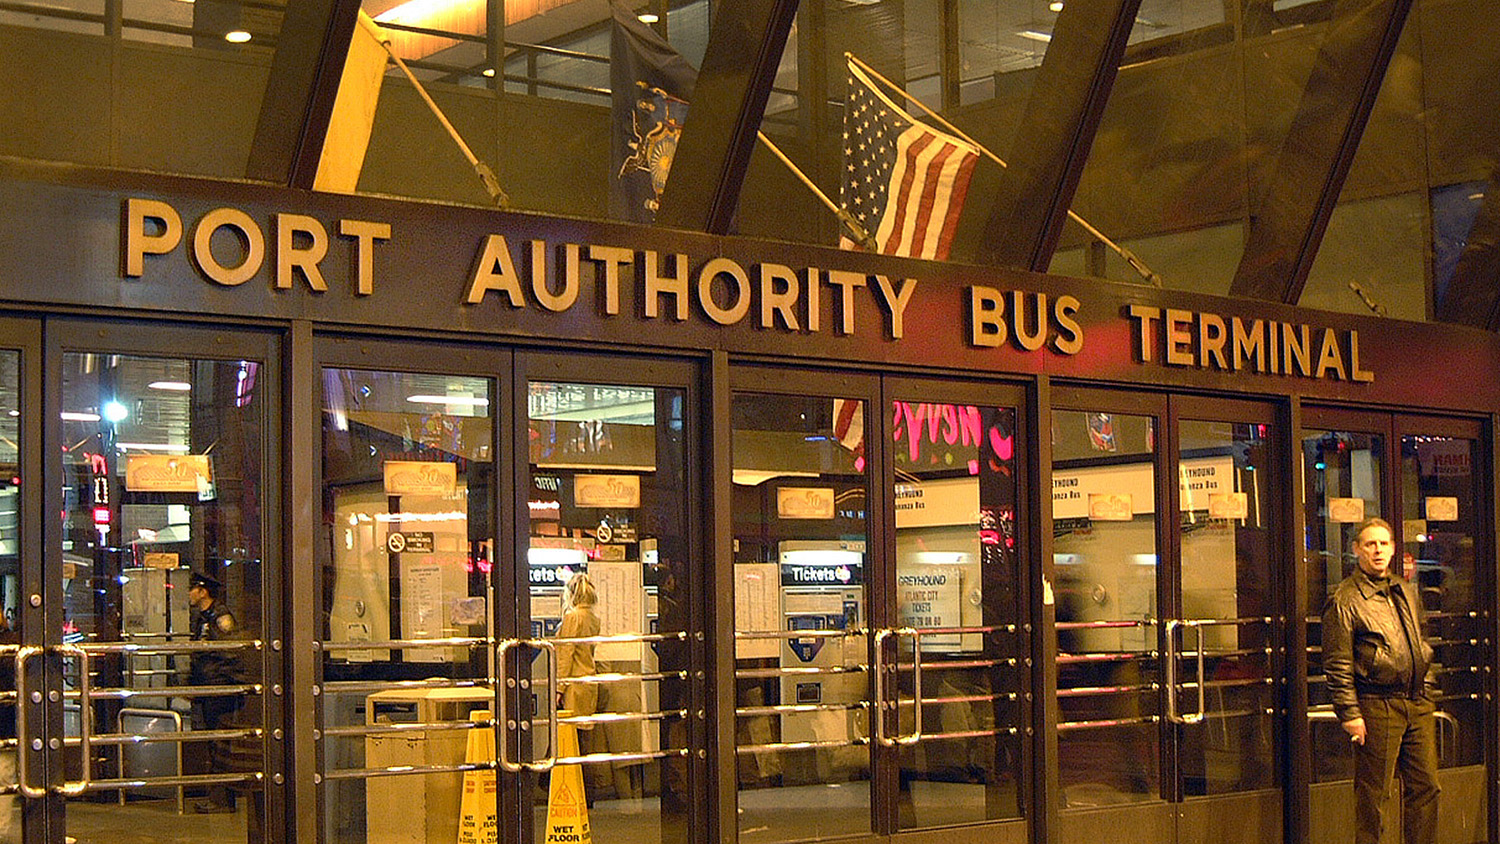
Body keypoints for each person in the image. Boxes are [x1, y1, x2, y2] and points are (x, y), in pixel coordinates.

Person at [1322, 517, 1439, 844]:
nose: (1378, 550)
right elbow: (1337, 662)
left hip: (1417, 703)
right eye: (1370, 544)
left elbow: (1422, 641)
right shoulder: (1346, 598)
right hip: (1376, 705)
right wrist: (1350, 714)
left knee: (1427, 787)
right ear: (1357, 550)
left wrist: (1427, 690)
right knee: (1374, 796)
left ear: (1392, 548)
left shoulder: (1405, 589)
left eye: (1384, 543)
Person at [186, 570, 245, 814]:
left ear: (203, 591)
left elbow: (228, 653)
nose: (189, 594)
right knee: (213, 743)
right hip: (208, 688)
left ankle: (223, 798)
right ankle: (218, 796)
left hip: (219, 690)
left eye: (193, 589)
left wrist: (219, 683)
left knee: (220, 744)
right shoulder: (203, 617)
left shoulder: (220, 616)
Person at [554, 572, 600, 726]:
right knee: (583, 737)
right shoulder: (593, 618)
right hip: (589, 680)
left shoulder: (572, 617)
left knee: (569, 735)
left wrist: (559, 688)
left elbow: (566, 654)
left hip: (573, 683)